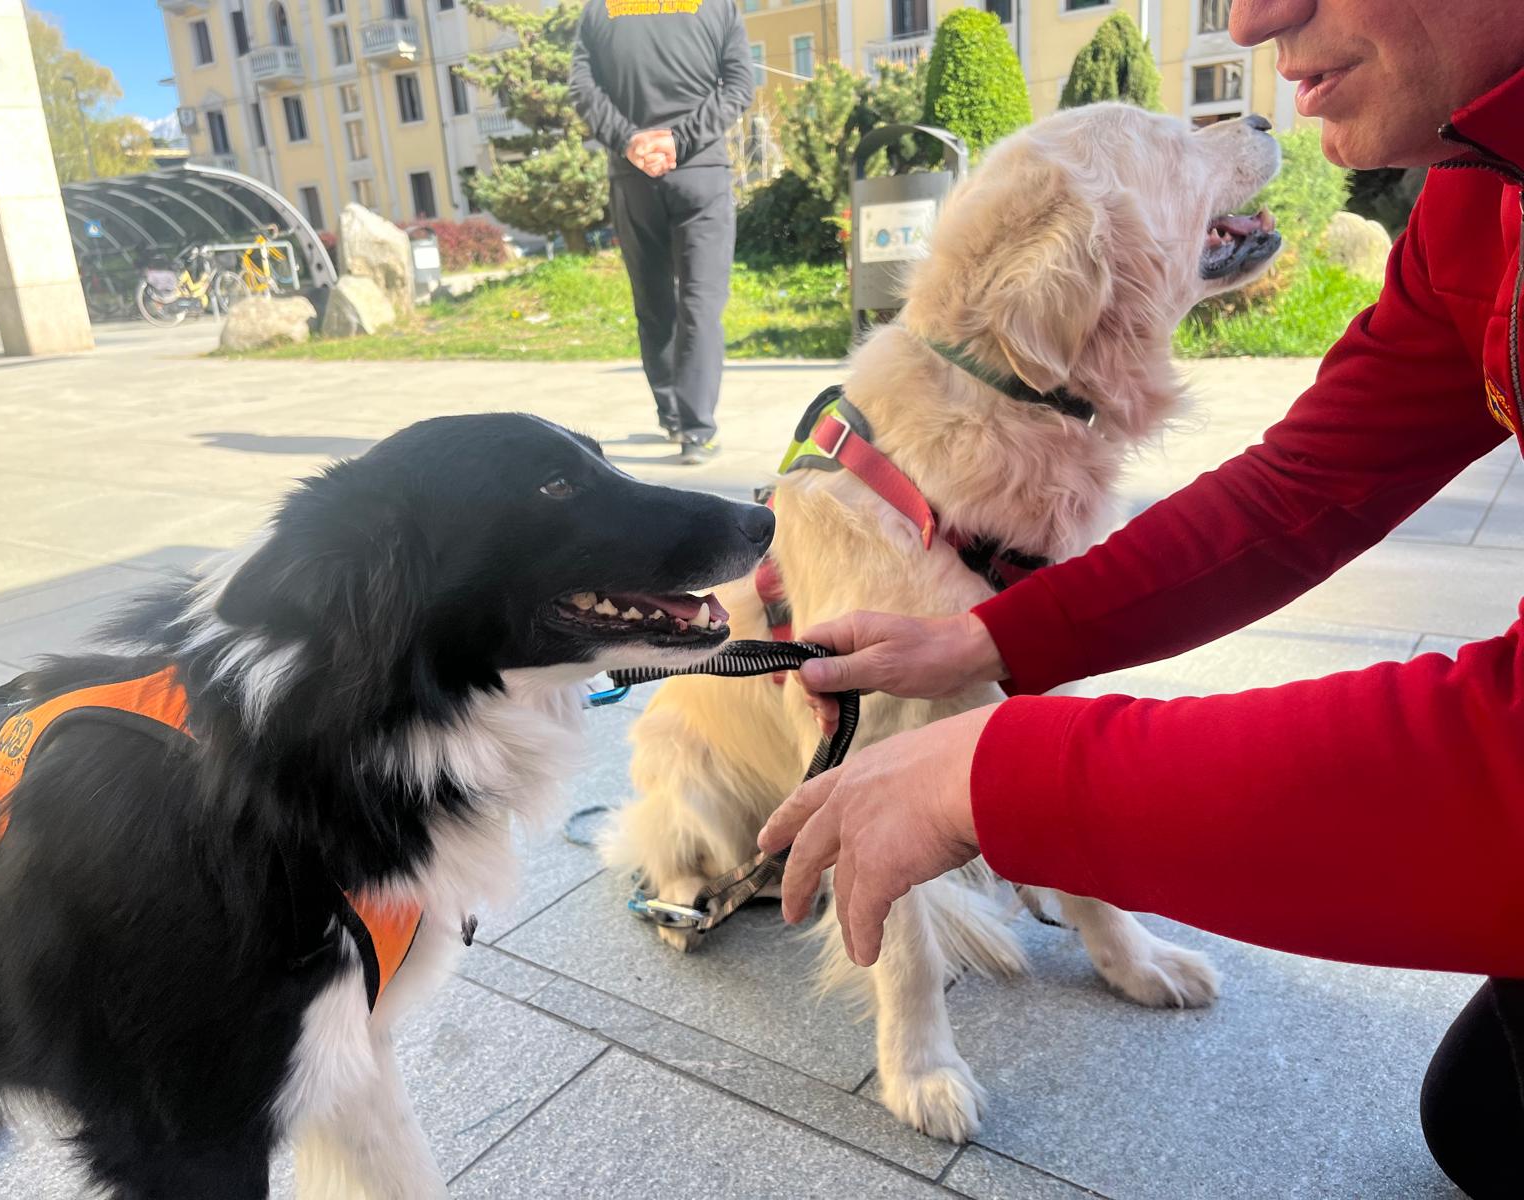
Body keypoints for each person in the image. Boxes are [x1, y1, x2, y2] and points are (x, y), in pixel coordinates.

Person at [755, 2, 1524, 1196]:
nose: (1256, 18)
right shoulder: (1480, 195)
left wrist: (1008, 777)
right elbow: (1305, 489)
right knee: (1483, 1119)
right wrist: (986, 636)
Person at [570, 0, 754, 465]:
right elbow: (738, 85)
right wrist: (681, 139)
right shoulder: (717, 7)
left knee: (653, 303)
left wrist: (629, 139)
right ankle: (696, 430)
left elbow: (583, 88)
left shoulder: (600, 10)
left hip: (632, 177)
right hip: (701, 175)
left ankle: (672, 413)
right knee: (701, 302)